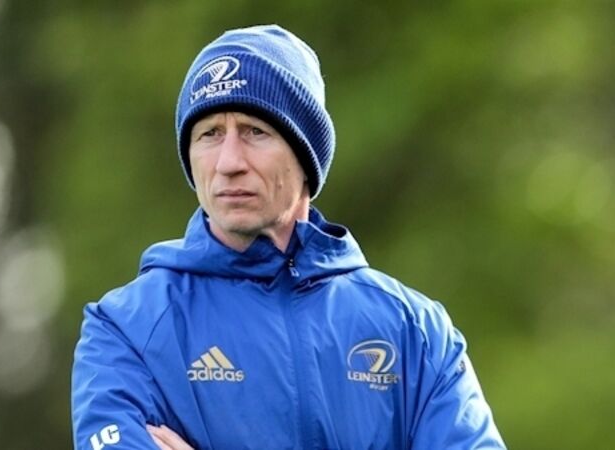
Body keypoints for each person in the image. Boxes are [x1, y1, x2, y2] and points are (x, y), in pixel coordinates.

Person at [71, 24, 506, 450]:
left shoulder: (415, 333)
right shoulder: (125, 328)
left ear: (305, 155)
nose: (228, 162)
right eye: (209, 134)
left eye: (255, 132)